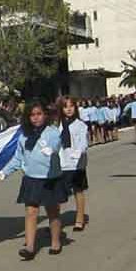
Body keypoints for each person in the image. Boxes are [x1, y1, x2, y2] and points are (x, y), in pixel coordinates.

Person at [0, 100, 66, 260]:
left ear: (45, 115)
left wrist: (52, 150)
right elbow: (18, 158)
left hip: (50, 178)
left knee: (53, 211)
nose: (35, 118)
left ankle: (55, 241)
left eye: (39, 114)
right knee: (31, 212)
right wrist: (5, 172)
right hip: (31, 179)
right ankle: (29, 246)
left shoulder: (52, 132)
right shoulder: (24, 136)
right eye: (32, 115)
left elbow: (57, 144)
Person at [57, 97, 90, 231]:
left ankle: (79, 219)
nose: (69, 109)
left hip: (76, 164)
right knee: (57, 195)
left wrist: (79, 151)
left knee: (78, 191)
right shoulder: (57, 125)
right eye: (65, 106)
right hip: (61, 163)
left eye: (71, 106)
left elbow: (83, 142)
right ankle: (55, 223)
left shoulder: (80, 125)